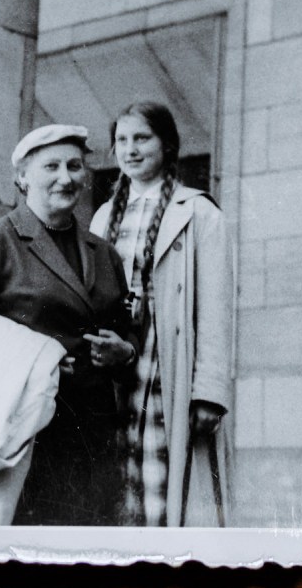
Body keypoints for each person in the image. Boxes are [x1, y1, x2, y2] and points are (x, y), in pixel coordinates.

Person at [0, 124, 138, 526]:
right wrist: (32, 363)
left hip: (90, 432)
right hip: (19, 427)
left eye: (75, 166)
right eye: (52, 166)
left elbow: (126, 330)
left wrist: (124, 351)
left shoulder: (105, 254)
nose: (67, 177)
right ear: (22, 178)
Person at [93, 101, 235, 526]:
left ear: (168, 144)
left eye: (142, 138)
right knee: (116, 482)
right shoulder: (103, 217)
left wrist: (208, 390)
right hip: (116, 367)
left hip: (168, 366)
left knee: (167, 487)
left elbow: (216, 307)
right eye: (121, 140)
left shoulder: (199, 212)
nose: (130, 149)